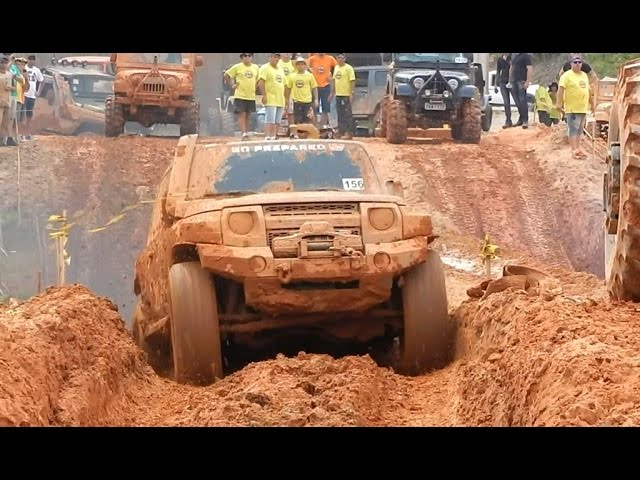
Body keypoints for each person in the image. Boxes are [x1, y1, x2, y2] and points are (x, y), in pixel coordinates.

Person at [556, 54, 594, 159]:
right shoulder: (566, 76)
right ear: (571, 64)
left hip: (583, 108)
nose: (577, 64)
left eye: (579, 62)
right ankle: (574, 150)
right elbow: (560, 90)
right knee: (573, 129)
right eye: (575, 62)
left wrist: (592, 104)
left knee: (579, 130)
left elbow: (588, 90)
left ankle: (578, 149)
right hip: (572, 108)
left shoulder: (584, 76)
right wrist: (559, 103)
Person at [224, 53, 260, 140]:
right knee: (242, 114)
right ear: (242, 57)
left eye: (249, 56)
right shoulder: (237, 67)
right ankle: (243, 134)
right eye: (245, 56)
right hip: (240, 95)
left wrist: (255, 87)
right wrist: (232, 85)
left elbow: (259, 79)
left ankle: (246, 133)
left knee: (248, 115)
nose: (247, 57)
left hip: (251, 96)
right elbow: (226, 75)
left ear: (252, 57)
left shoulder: (256, 68)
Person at [258, 53, 286, 140]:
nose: (276, 59)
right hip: (270, 97)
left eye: (278, 57)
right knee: (270, 119)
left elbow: (283, 84)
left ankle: (274, 135)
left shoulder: (280, 69)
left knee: (277, 120)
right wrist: (264, 95)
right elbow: (261, 82)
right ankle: (267, 136)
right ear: (269, 57)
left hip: (280, 98)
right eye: (274, 57)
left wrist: (285, 97)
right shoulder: (265, 68)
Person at [285, 56, 318, 125]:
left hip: (307, 101)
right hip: (296, 102)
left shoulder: (310, 75)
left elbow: (314, 87)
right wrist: (287, 100)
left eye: (302, 64)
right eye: (298, 64)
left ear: (305, 66)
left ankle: (306, 134)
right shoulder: (292, 76)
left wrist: (316, 99)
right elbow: (288, 88)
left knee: (308, 120)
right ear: (296, 66)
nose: (300, 66)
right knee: (297, 120)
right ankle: (298, 134)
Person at [329, 53, 356, 139]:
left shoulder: (349, 68)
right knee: (340, 114)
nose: (340, 59)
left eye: (342, 58)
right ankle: (341, 131)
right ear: (336, 59)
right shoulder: (336, 68)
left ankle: (349, 132)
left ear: (345, 58)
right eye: (338, 58)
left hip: (346, 95)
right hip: (338, 95)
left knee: (347, 114)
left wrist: (351, 93)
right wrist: (332, 92)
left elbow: (352, 81)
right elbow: (334, 80)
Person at [308, 53, 337, 127]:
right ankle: (314, 127)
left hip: (326, 86)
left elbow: (338, 68)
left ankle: (323, 128)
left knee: (326, 108)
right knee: (314, 107)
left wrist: (332, 77)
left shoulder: (330, 58)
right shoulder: (312, 59)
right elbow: (305, 68)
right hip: (314, 86)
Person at [509, 52, 533, 128]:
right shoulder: (515, 57)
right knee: (517, 101)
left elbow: (529, 69)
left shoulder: (526, 56)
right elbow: (512, 68)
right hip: (514, 81)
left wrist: (527, 81)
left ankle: (525, 120)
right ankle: (521, 118)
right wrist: (510, 81)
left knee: (522, 100)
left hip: (521, 81)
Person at [23, 55, 44, 141]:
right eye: (30, 59)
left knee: (29, 114)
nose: (31, 61)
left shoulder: (37, 70)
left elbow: (42, 81)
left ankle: (27, 132)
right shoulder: (23, 68)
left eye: (33, 60)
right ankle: (20, 132)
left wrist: (38, 92)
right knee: (21, 114)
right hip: (23, 94)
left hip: (32, 95)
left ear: (35, 61)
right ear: (27, 60)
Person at [495, 53, 513, 128]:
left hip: (512, 80)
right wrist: (496, 84)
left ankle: (522, 118)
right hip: (502, 81)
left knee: (517, 99)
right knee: (506, 102)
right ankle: (508, 120)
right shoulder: (499, 59)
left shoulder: (512, 57)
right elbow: (498, 71)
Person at [0, 56, 14, 147]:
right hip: (0, 101)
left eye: (5, 63)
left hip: (8, 100)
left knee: (6, 122)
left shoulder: (9, 74)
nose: (4, 65)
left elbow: (14, 86)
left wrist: (11, 88)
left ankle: (6, 139)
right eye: (2, 63)